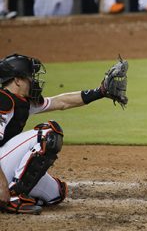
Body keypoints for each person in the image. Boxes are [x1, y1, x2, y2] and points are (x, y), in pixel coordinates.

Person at [0, 54, 128, 214]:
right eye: (29, 77)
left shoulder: (23, 101)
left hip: (5, 163)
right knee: (48, 133)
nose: (34, 81)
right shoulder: (3, 101)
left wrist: (100, 91)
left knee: (56, 194)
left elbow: (61, 101)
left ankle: (13, 191)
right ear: (17, 80)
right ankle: (13, 195)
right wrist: (2, 184)